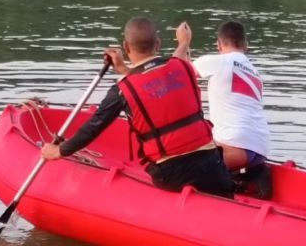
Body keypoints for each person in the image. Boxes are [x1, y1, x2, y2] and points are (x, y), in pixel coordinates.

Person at [41, 16, 234, 198]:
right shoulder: (184, 67)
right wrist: (183, 43)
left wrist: (60, 151)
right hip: (213, 166)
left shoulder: (122, 90)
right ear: (158, 43)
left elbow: (94, 126)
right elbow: (165, 72)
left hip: (171, 174)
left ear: (126, 47)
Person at [176, 20, 272, 198]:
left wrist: (184, 43)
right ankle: (250, 173)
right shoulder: (255, 73)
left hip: (234, 147)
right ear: (245, 45)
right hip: (261, 148)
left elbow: (176, 71)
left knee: (180, 170)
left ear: (218, 45)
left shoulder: (219, 62)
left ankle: (229, 180)